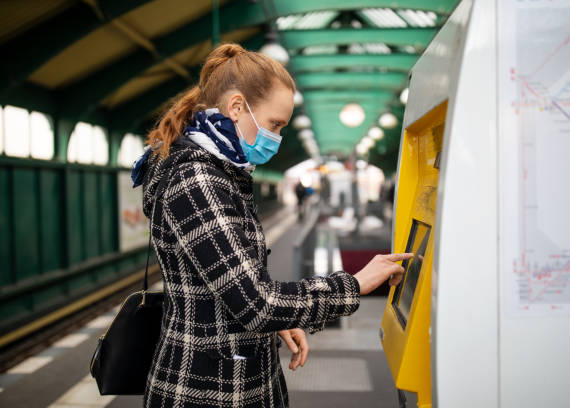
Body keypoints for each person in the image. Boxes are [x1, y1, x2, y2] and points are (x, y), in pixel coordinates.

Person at [132, 43, 412, 408]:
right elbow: (256, 303)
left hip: (227, 376)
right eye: (274, 124)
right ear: (236, 107)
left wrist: (275, 320)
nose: (277, 139)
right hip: (208, 390)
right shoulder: (196, 179)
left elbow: (232, 288)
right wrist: (355, 284)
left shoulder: (219, 172)